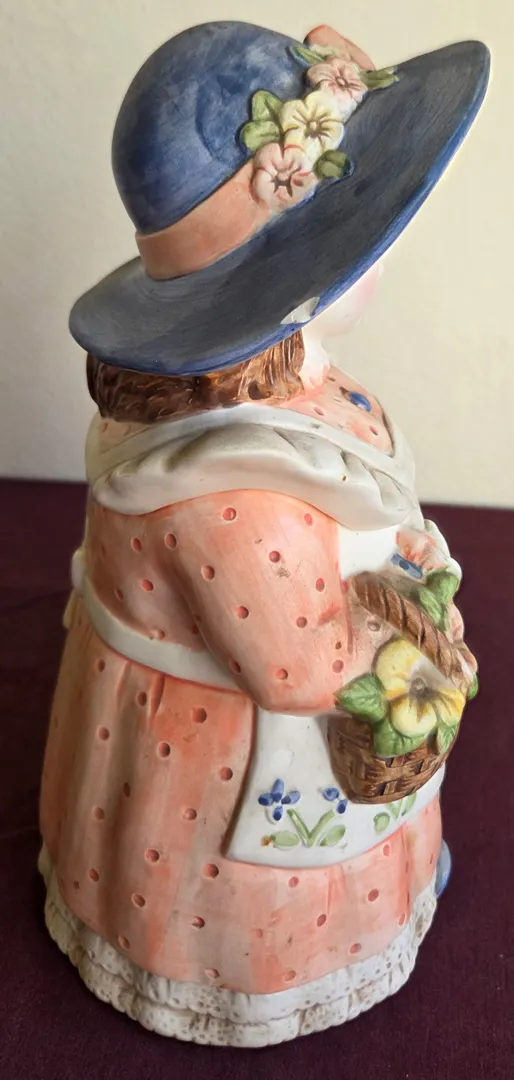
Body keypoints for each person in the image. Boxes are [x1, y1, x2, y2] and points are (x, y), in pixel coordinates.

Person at [39, 20, 488, 1047]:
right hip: (218, 768)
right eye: (359, 237)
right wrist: (416, 638)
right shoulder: (229, 492)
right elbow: (301, 668)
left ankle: (385, 883)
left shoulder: (290, 393)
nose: (384, 254)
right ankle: (236, 970)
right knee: (277, 863)